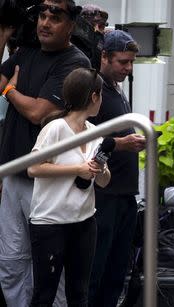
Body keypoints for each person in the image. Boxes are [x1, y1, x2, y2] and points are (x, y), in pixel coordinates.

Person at [0, 1, 91, 305]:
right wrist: (5, 32)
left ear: (70, 25)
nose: (45, 23)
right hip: (14, 174)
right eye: (42, 15)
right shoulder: (25, 52)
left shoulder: (74, 62)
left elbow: (39, 113)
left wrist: (10, 91)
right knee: (12, 262)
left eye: (55, 17)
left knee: (52, 270)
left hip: (50, 181)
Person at [27, 67, 110, 306]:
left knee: (79, 294)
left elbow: (104, 181)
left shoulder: (95, 133)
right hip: (51, 222)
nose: (101, 100)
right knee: (44, 294)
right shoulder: (55, 129)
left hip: (84, 221)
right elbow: (33, 168)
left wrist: (99, 170)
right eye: (100, 95)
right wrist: (76, 169)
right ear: (94, 97)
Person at [88, 30, 146, 307]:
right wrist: (120, 144)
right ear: (104, 57)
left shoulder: (116, 89)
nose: (128, 68)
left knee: (117, 269)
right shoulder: (94, 88)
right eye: (123, 61)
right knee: (97, 268)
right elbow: (82, 137)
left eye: (131, 62)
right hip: (104, 193)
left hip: (125, 193)